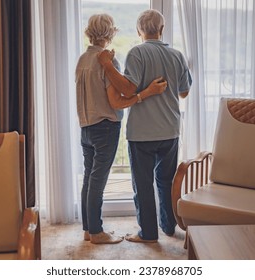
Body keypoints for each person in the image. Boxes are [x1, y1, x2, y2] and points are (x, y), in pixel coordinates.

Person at [98, 9, 192, 243]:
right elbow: (184, 92)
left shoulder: (136, 53)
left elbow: (128, 90)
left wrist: (109, 67)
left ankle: (148, 234)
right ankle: (168, 226)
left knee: (143, 185)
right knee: (166, 181)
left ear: (140, 31)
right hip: (170, 130)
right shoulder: (177, 55)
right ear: (161, 30)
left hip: (141, 134)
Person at [76, 13, 167, 245]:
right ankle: (97, 232)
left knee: (89, 177)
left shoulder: (82, 60)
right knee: (98, 180)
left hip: (85, 127)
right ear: (111, 33)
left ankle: (88, 229)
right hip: (105, 127)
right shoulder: (108, 62)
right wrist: (143, 95)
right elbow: (118, 102)